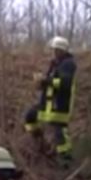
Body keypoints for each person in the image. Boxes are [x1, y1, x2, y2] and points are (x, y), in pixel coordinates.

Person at [25, 36, 77, 168]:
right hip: (47, 104)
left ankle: (66, 160)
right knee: (30, 116)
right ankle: (39, 142)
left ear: (63, 50)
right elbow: (50, 81)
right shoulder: (55, 64)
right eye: (53, 50)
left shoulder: (68, 64)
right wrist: (41, 83)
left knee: (60, 132)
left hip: (59, 105)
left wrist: (46, 81)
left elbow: (64, 83)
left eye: (56, 50)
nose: (54, 53)